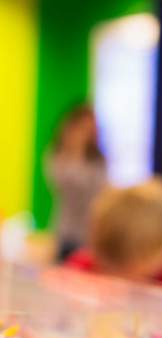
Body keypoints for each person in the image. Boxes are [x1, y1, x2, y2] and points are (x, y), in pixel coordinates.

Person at [45, 104, 108, 261]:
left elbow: (100, 191)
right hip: (67, 234)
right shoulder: (58, 155)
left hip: (91, 234)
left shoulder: (98, 159)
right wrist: (76, 150)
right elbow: (65, 186)